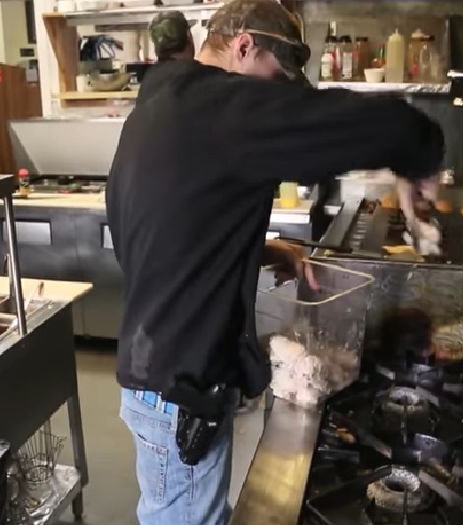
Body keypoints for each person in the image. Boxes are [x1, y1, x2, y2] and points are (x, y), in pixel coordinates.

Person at [105, 0, 445, 523]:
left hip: (159, 376)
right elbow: (359, 125)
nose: (277, 99)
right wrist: (420, 151)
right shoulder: (217, 106)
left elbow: (163, 232)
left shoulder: (165, 105)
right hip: (181, 389)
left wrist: (257, 248)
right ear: (243, 47)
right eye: (276, 81)